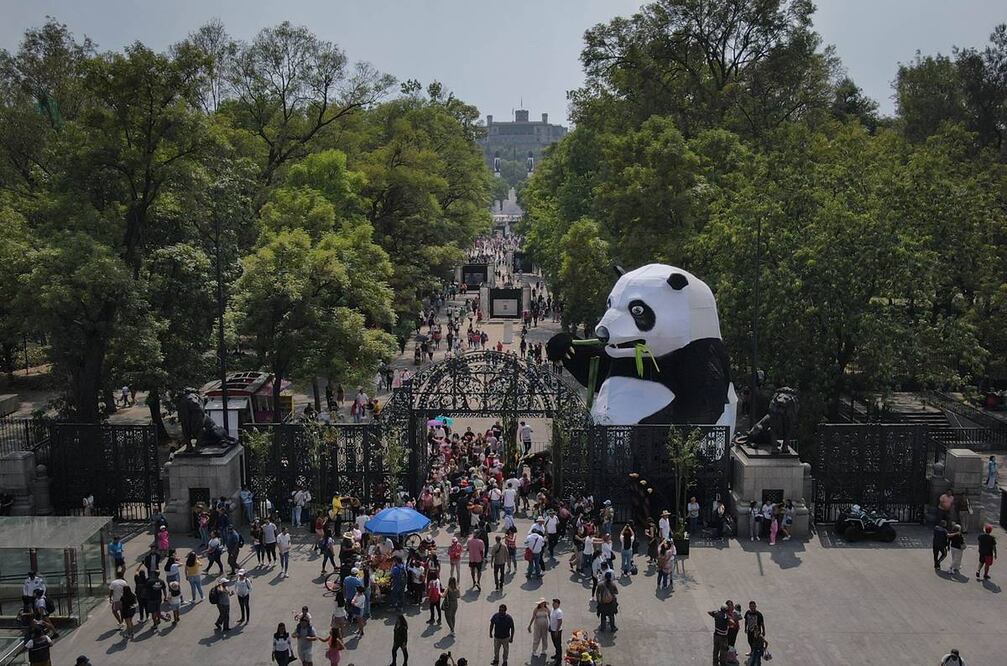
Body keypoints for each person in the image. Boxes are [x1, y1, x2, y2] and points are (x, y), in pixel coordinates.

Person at [549, 598, 564, 663]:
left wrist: (557, 631)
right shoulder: (553, 609)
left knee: (558, 644)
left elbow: (560, 622)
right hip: (552, 629)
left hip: (557, 631)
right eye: (553, 603)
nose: (553, 604)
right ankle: (557, 654)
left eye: (555, 603)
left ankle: (559, 659)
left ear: (558, 604)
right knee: (555, 643)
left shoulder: (559, 612)